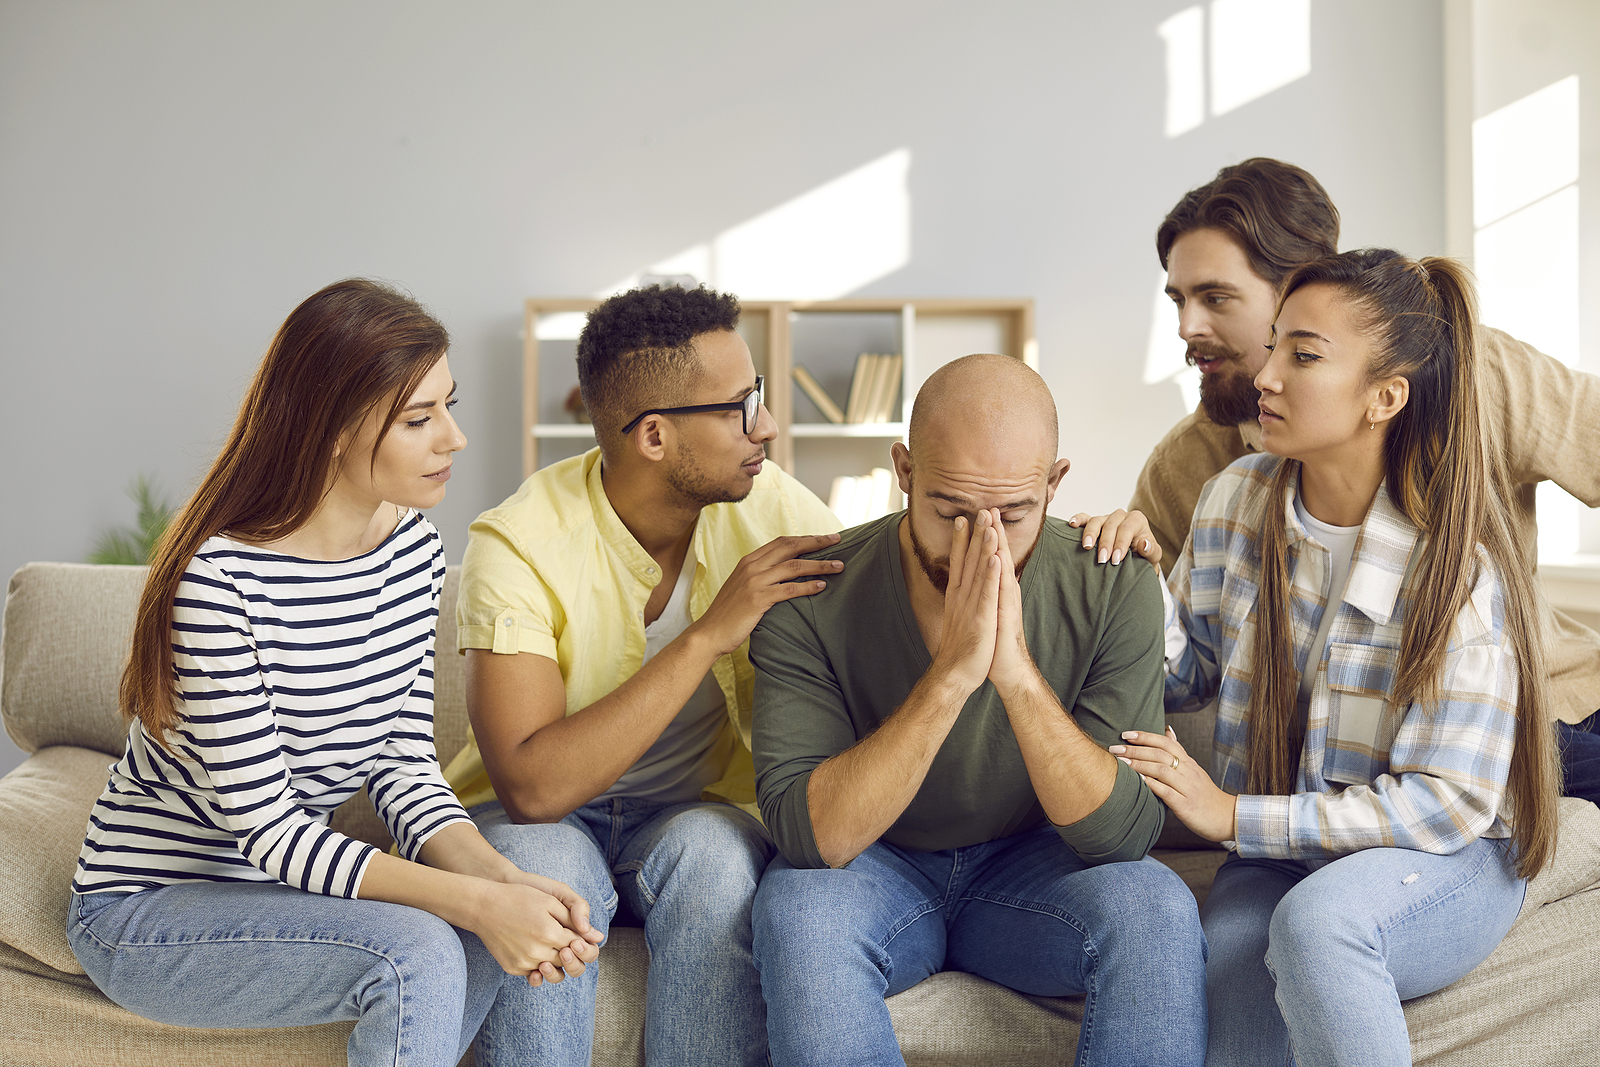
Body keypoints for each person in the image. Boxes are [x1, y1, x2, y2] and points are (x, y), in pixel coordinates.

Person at [67, 279, 602, 1067]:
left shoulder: (414, 550)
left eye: (448, 406)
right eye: (419, 420)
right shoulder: (220, 582)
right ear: (331, 430)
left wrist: (504, 881)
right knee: (422, 945)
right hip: (147, 913)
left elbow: (401, 764)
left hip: (287, 900)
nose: (453, 438)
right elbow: (272, 833)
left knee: (496, 933)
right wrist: (480, 899)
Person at [1114, 249, 1561, 1067]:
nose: (1267, 374)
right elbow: (1184, 676)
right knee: (1236, 980)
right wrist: (1138, 583)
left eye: (1304, 355)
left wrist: (1232, 815)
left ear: (1385, 396)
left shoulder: (1456, 570)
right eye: (1275, 344)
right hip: (1281, 851)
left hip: (1449, 855)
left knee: (1319, 924)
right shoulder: (1236, 500)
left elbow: (1447, 804)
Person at [748, 354, 1207, 1067]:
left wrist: (1016, 675)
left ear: (1055, 483)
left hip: (1033, 872)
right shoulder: (812, 594)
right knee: (797, 911)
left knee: (1157, 908)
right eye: (950, 509)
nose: (981, 541)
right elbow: (812, 837)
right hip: (878, 868)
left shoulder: (1114, 583)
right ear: (904, 470)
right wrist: (951, 678)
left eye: (1014, 514)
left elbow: (1122, 833)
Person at [1093, 158, 1600, 805]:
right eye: (1178, 300)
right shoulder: (1193, 469)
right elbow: (1166, 653)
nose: (1187, 327)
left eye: (1215, 297)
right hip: (1342, 759)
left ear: (1301, 295)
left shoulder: (1477, 373)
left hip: (1544, 713)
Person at [443, 284, 842, 1066]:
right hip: (536, 823)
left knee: (719, 859)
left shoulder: (772, 508)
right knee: (545, 869)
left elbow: (905, 585)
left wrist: (1096, 534)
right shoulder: (516, 543)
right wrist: (707, 634)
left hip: (693, 811)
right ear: (654, 435)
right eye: (741, 405)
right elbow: (531, 788)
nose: (767, 425)